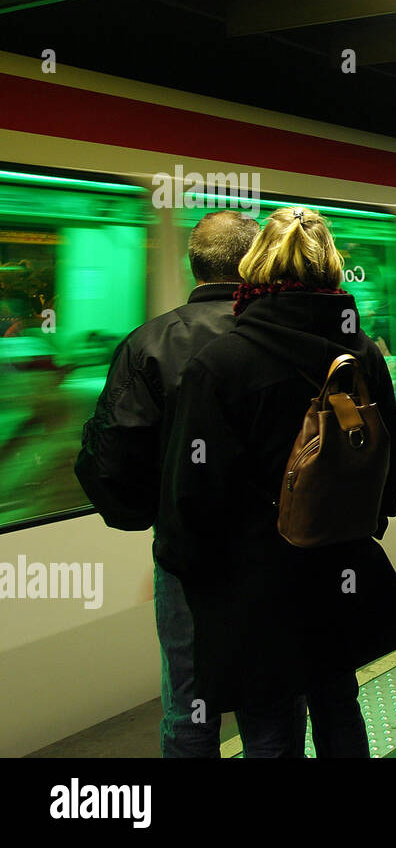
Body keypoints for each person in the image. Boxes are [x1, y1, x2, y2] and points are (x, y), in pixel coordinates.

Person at [156, 207, 396, 757]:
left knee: (269, 726)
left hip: (254, 588)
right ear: (332, 271)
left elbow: (192, 496)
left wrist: (185, 567)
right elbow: (388, 466)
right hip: (341, 569)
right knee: (339, 706)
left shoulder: (220, 364)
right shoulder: (362, 354)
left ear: (254, 268)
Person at [76, 211, 262, 758]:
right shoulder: (283, 335)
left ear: (194, 265)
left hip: (187, 555)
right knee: (269, 701)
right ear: (254, 264)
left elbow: (112, 460)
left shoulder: (150, 342)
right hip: (278, 556)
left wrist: (152, 509)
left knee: (188, 705)